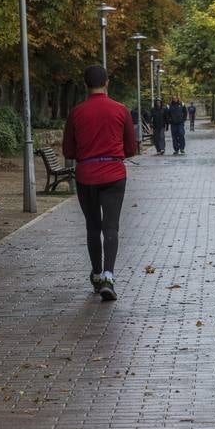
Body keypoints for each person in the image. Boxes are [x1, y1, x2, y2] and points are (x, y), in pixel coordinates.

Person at [62, 64, 136, 301]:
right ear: (107, 83)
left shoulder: (76, 113)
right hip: (114, 174)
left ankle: (95, 274)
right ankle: (109, 276)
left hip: (86, 176)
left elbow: (68, 150)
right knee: (111, 226)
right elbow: (131, 148)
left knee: (93, 227)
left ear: (85, 85)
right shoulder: (121, 110)